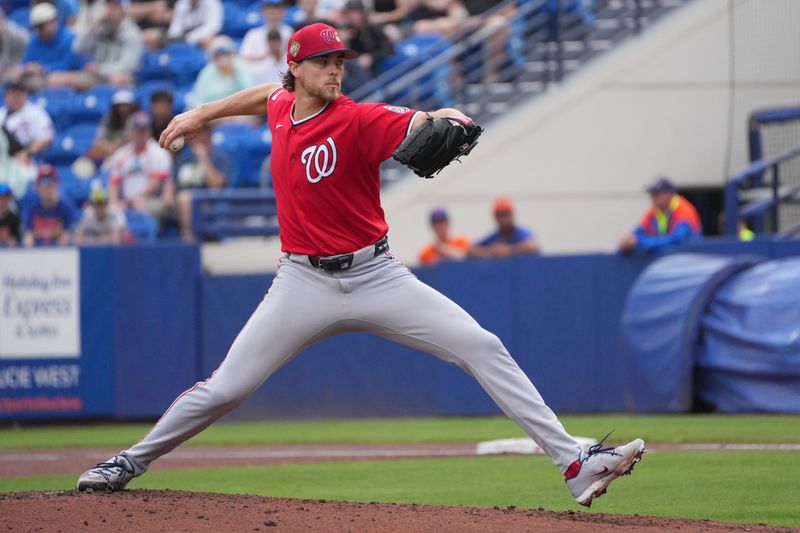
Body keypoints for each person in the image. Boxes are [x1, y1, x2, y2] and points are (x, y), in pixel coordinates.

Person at [76, 22, 645, 507]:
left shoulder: (357, 118)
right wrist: (202, 113)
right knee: (226, 388)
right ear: (295, 69)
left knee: (482, 345)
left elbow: (422, 119)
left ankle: (575, 462)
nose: (335, 69)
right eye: (323, 61)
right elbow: (261, 96)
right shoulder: (280, 106)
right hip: (301, 281)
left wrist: (451, 115)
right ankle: (128, 461)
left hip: (377, 276)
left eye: (339, 61)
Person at [103, 111, 174, 222]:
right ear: (129, 132)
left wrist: (135, 199)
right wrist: (114, 202)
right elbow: (114, 183)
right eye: (137, 130)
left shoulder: (158, 152)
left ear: (149, 131)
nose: (141, 134)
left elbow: (155, 183)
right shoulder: (121, 154)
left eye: (144, 130)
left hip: (153, 199)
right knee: (110, 210)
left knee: (140, 205)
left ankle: (148, 237)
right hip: (127, 200)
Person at [173, 122, 229, 241]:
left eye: (201, 133)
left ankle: (189, 240)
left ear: (209, 135)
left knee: (186, 198)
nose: (196, 137)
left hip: (207, 200)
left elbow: (216, 186)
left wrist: (203, 158)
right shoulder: (185, 157)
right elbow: (174, 183)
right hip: (178, 202)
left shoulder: (219, 156)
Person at [618, 177, 701, 254]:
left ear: (669, 194)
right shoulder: (654, 212)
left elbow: (677, 239)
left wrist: (640, 242)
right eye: (652, 194)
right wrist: (628, 241)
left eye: (657, 194)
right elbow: (638, 233)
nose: (652, 197)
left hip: (689, 257)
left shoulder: (683, 210)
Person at [72, 0, 144, 87]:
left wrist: (101, 69)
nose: (110, 11)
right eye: (108, 7)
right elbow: (77, 48)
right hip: (98, 76)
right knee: (73, 81)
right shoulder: (100, 27)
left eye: (114, 8)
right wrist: (92, 27)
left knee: (117, 79)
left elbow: (129, 66)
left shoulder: (132, 33)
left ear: (123, 11)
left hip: (123, 76)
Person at [18, 2, 88, 91]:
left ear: (54, 21)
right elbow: (25, 63)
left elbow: (70, 65)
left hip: (68, 80)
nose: (39, 30)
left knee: (57, 79)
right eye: (36, 27)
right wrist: (27, 68)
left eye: (42, 26)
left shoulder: (69, 38)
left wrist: (43, 69)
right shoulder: (35, 40)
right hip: (41, 80)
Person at [190, 35, 253, 109]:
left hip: (239, 112)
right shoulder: (207, 71)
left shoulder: (241, 66)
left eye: (225, 54)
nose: (222, 58)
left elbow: (249, 93)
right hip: (212, 115)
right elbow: (198, 99)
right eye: (218, 55)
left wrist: (235, 72)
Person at [23, 165, 76, 246]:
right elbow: (28, 236)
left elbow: (66, 237)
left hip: (59, 254)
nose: (48, 189)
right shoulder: (32, 209)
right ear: (37, 187)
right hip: (36, 254)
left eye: (51, 184)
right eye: (44, 185)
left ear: (57, 186)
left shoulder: (66, 209)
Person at [468, 197, 539, 258]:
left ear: (512, 214)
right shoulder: (494, 237)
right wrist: (491, 252)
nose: (503, 218)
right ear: (495, 217)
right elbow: (470, 250)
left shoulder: (521, 233)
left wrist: (509, 251)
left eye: (505, 214)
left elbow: (531, 246)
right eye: (500, 215)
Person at [0, 81, 55, 157]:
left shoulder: (35, 113)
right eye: (13, 94)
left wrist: (26, 153)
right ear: (6, 97)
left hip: (28, 156)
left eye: (19, 94)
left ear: (25, 95)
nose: (16, 98)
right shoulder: (2, 114)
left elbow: (46, 139)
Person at [340, 0, 394, 78]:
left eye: (355, 13)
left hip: (383, 65)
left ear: (362, 12)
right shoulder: (349, 33)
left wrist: (371, 57)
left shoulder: (372, 27)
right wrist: (344, 43)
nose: (353, 17)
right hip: (366, 73)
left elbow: (389, 48)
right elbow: (349, 60)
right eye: (349, 14)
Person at [87, 87, 140, 161]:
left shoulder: (138, 120)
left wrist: (118, 145)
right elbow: (99, 141)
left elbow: (136, 141)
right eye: (120, 105)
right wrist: (109, 146)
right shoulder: (107, 120)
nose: (123, 108)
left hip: (132, 155)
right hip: (109, 154)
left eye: (126, 105)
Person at [0, 8, 30, 84]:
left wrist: (22, 68)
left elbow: (32, 55)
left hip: (22, 68)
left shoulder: (19, 36)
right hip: (7, 71)